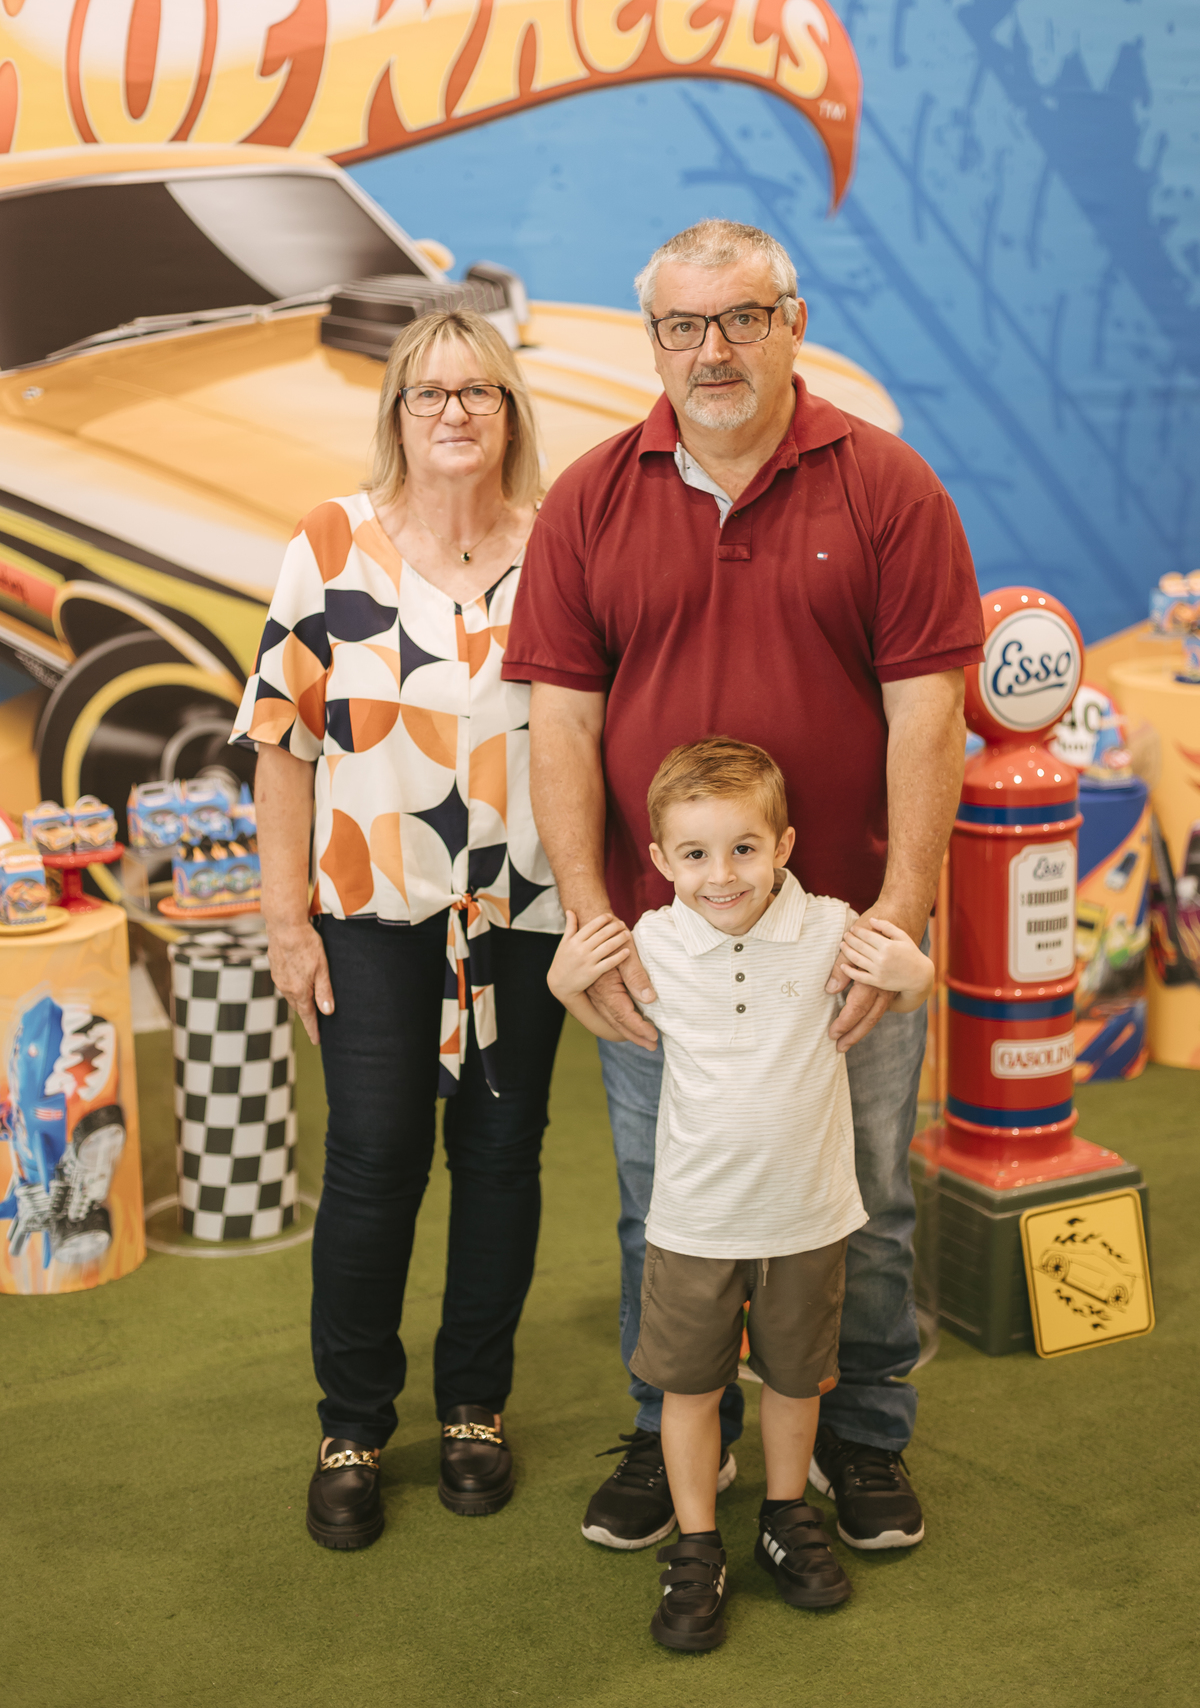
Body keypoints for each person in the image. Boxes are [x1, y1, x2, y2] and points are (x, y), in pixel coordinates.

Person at [502, 219, 984, 1554]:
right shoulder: (589, 501)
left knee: (866, 1203)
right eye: (683, 325)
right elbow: (561, 727)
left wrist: (901, 918)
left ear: (792, 322)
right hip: (664, 954)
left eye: (741, 319)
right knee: (664, 1198)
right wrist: (591, 924)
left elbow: (929, 717)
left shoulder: (890, 488)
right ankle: (673, 1426)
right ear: (652, 337)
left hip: (841, 951)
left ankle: (863, 1433)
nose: (711, 350)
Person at [233, 309, 565, 1551]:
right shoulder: (330, 546)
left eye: (480, 392)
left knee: (502, 1154)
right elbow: (282, 744)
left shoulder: (562, 549)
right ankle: (353, 1427)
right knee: (376, 1160)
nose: (456, 413)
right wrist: (286, 918)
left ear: (510, 412)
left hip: (525, 913)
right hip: (370, 912)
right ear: (397, 415)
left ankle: (475, 1405)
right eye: (431, 394)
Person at [548, 739, 934, 1649]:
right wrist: (565, 984)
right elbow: (589, 998)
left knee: (797, 1382)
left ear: (784, 845)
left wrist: (914, 974)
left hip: (808, 1215)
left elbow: (913, 981)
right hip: (694, 1223)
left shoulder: (833, 927)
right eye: (695, 853)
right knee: (687, 1387)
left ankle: (787, 1513)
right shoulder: (651, 942)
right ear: (659, 859)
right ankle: (696, 1540)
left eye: (744, 849)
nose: (721, 875)